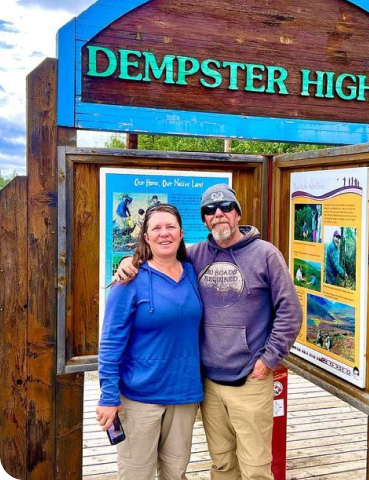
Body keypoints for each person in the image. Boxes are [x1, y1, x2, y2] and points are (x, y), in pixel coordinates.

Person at [115, 184, 303, 480]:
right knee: (222, 465)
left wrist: (268, 359)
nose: (218, 214)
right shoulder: (195, 256)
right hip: (208, 384)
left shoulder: (266, 255)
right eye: (209, 211)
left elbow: (290, 311)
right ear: (203, 220)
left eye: (226, 207)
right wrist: (130, 261)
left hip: (250, 381)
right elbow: (160, 259)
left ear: (238, 213)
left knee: (255, 469)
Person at [97, 204, 204, 480]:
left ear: (181, 234)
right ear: (146, 237)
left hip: (184, 396)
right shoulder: (128, 281)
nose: (164, 233)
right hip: (139, 398)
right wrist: (108, 395)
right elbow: (110, 343)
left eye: (170, 227)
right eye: (156, 228)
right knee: (136, 475)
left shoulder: (194, 273)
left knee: (175, 473)